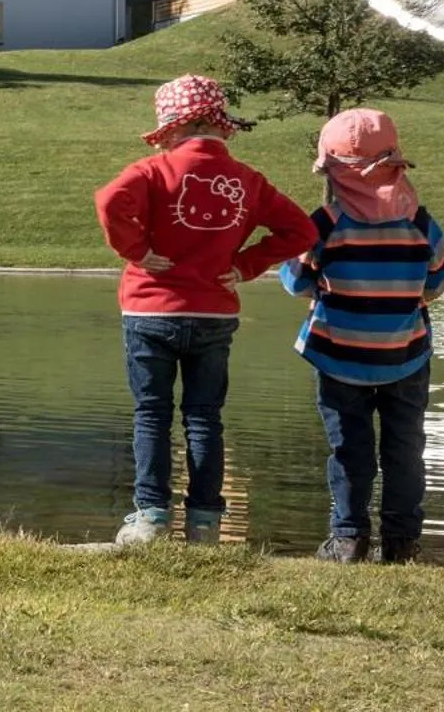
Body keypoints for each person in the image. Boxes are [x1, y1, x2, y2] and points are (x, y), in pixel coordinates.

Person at [94, 74, 315, 546]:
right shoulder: (248, 180)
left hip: (150, 310)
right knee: (203, 416)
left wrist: (135, 250)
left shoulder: (153, 172)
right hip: (214, 313)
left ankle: (151, 517)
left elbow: (109, 200)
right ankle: (204, 523)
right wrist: (246, 264)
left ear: (171, 129)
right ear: (219, 125)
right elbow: (301, 232)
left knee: (152, 413)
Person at [280, 108, 444, 565]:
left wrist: (314, 282)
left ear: (334, 173)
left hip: (339, 355)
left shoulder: (325, 223)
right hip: (406, 354)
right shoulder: (419, 222)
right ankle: (402, 542)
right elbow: (437, 278)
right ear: (396, 165)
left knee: (348, 448)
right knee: (405, 447)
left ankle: (348, 537)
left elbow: (296, 281)